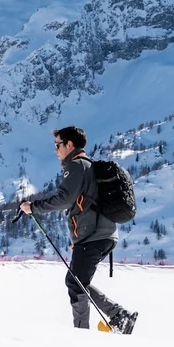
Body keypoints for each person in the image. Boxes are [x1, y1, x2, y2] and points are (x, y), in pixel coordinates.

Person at [20, 126, 137, 333]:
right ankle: (117, 316)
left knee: (75, 283)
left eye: (58, 145)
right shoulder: (88, 166)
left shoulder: (76, 166)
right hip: (100, 235)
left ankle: (86, 332)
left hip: (94, 236)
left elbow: (64, 199)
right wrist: (79, 241)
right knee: (76, 281)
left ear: (69, 145)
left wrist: (34, 207)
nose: (56, 150)